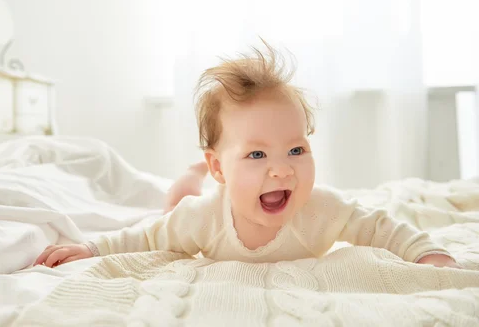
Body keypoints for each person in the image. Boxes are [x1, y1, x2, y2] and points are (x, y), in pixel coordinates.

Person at [34, 41, 459, 269]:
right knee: (177, 201)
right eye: (257, 155)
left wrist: (427, 253)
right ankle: (192, 172)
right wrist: (91, 248)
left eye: (296, 149)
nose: (281, 169)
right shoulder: (201, 219)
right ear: (222, 167)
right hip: (193, 204)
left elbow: (379, 227)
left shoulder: (323, 209)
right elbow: (145, 236)